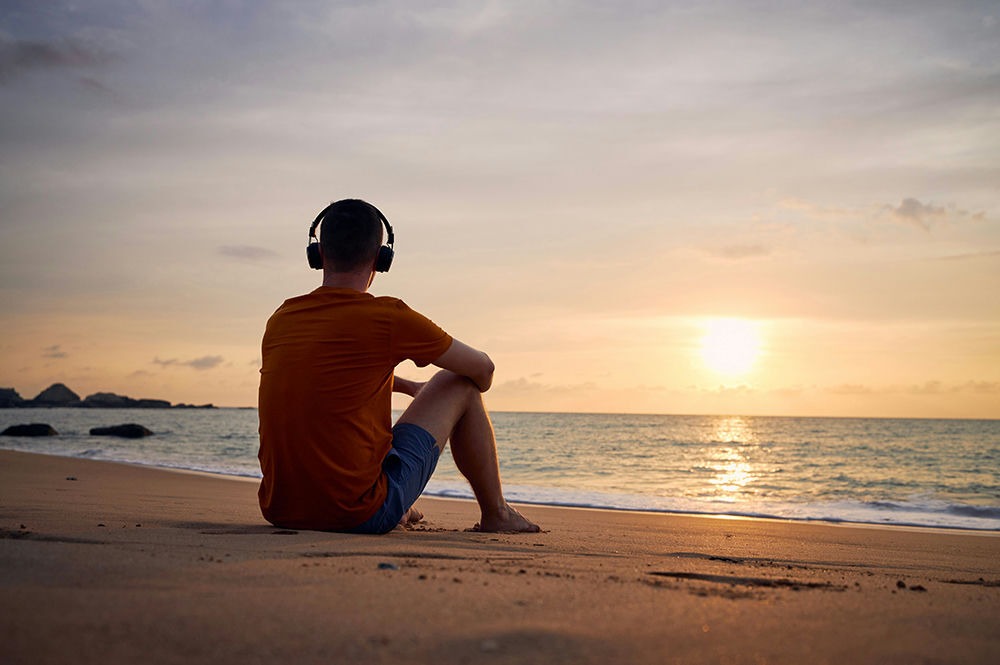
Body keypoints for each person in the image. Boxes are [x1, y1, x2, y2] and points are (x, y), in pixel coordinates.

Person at [257, 198, 539, 535]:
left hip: (281, 509)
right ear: (381, 258)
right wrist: (445, 394)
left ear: (318, 254)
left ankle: (395, 501)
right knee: (459, 382)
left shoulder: (282, 318)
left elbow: (330, 380)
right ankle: (498, 513)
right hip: (357, 514)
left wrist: (408, 387)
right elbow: (483, 370)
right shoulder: (388, 317)